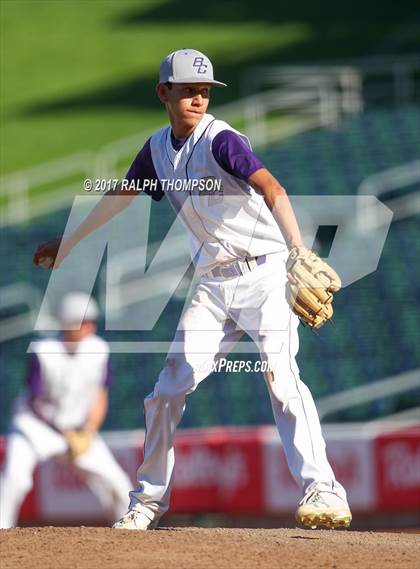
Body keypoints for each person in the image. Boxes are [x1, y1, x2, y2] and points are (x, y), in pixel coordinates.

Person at [32, 49, 352, 530]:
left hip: (265, 274)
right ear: (163, 93)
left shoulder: (221, 140)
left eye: (204, 90)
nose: (199, 98)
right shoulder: (158, 149)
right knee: (165, 393)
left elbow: (273, 189)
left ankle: (324, 490)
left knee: (281, 378)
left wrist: (296, 252)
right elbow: (122, 194)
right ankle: (146, 501)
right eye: (188, 90)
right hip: (211, 286)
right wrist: (72, 243)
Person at [0, 292, 132, 528]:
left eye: (91, 321)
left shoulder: (99, 350)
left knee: (118, 484)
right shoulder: (43, 352)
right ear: (67, 323)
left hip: (78, 430)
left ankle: (131, 538)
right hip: (34, 428)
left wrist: (88, 432)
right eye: (83, 321)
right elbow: (34, 403)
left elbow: (101, 395)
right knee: (15, 480)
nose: (89, 326)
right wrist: (66, 434)